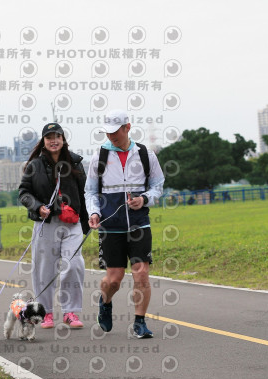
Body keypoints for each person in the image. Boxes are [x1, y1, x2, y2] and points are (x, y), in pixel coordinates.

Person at [85, 109, 165, 339]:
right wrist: (94, 212)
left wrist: (145, 199)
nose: (111, 136)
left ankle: (140, 322)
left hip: (139, 224)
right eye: (107, 132)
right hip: (110, 226)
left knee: (141, 273)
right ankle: (105, 301)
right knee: (114, 279)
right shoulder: (99, 157)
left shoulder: (145, 154)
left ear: (127, 127)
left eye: (115, 132)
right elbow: (90, 192)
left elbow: (158, 186)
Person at [18, 122, 89, 329]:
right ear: (43, 141)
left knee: (73, 264)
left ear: (63, 139)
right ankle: (46, 312)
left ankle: (70, 312)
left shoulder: (75, 162)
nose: (54, 141)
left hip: (72, 223)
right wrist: (38, 207)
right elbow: (24, 193)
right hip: (46, 223)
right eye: (49, 137)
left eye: (57, 136)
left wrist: (89, 220)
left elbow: (85, 193)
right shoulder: (34, 165)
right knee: (44, 269)